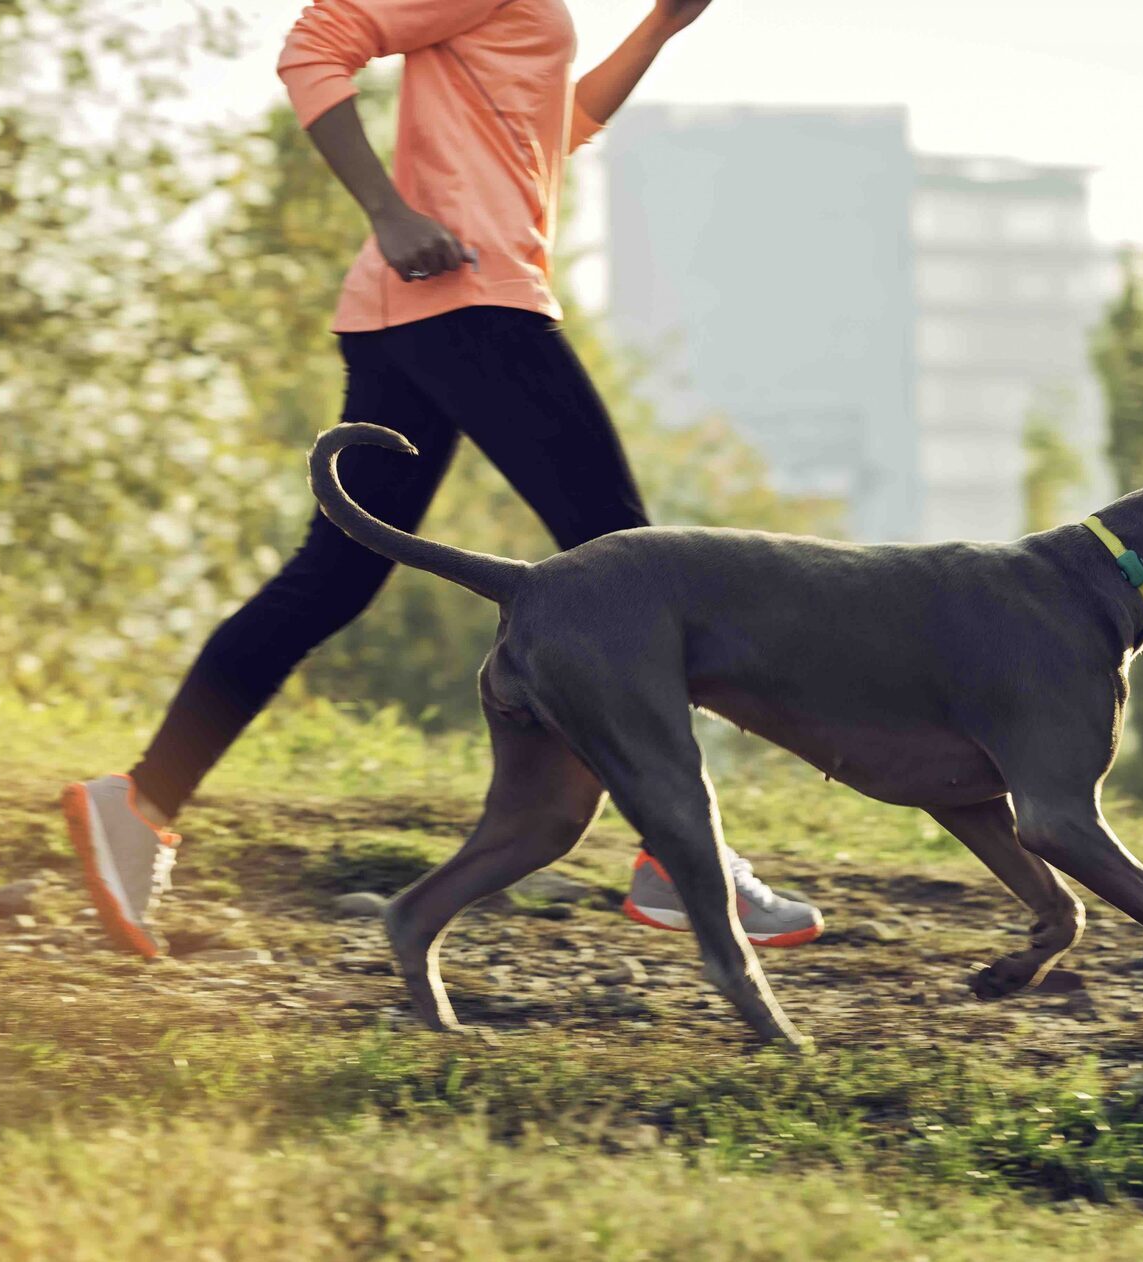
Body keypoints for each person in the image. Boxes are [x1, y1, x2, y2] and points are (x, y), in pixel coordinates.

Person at [61, 0, 823, 960]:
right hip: (470, 301)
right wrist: (388, 213)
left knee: (332, 580)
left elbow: (556, 130)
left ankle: (139, 802)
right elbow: (316, 45)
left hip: (421, 310)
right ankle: (680, 860)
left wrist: (660, 28)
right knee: (633, 571)